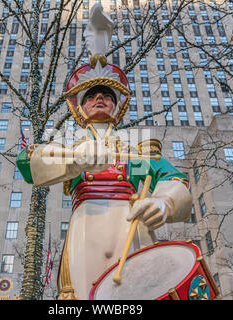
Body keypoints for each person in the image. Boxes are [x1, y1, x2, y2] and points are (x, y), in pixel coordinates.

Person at [16, 4, 192, 300]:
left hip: (133, 232)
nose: (99, 99)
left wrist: (164, 203)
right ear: (80, 107)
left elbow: (176, 182)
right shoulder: (68, 144)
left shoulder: (138, 151)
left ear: (116, 106)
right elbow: (28, 162)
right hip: (86, 231)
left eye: (106, 96)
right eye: (92, 96)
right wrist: (74, 161)